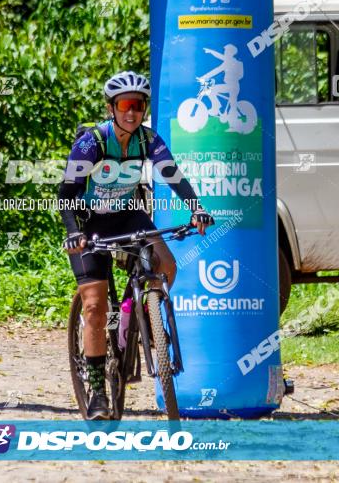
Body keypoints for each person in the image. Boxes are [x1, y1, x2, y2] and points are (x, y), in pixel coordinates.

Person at [58, 70, 213, 420]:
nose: (132, 112)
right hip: (89, 222)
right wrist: (72, 231)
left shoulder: (148, 140)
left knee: (166, 264)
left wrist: (196, 208)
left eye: (139, 106)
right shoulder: (92, 142)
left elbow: (173, 175)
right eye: (125, 105)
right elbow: (66, 193)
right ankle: (98, 391)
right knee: (95, 308)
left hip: (129, 215)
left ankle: (143, 312)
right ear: (112, 107)